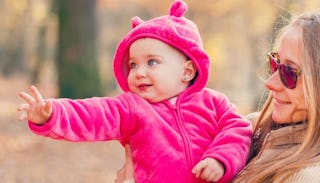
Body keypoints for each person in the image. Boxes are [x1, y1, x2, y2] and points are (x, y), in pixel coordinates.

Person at [17, 0, 252, 183]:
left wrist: (220, 159)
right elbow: (93, 114)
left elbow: (239, 129)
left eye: (152, 62)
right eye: (133, 64)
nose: (139, 72)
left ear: (187, 71)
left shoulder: (213, 102)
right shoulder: (132, 107)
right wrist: (52, 114)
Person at [115, 9, 320, 183]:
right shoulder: (248, 129)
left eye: (289, 73)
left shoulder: (307, 176)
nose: (269, 82)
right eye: (274, 64)